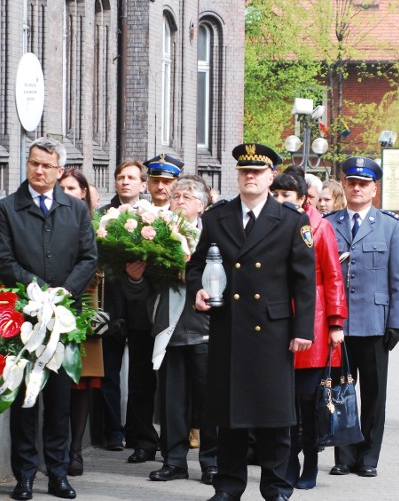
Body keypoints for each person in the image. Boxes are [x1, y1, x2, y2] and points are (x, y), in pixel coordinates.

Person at [186, 143, 316, 501]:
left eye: (257, 172)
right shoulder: (217, 218)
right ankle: (228, 487)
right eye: (244, 171)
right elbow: (197, 264)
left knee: (275, 415)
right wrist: (198, 288)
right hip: (230, 326)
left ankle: (275, 487)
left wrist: (304, 329)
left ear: (270, 176)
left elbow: (304, 280)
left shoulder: (291, 220)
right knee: (230, 416)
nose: (250, 177)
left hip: (273, 330)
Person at [0, 137, 97, 500]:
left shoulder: (75, 209)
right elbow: (3, 261)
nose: (38, 170)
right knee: (24, 398)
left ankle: (58, 474)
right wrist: (36, 290)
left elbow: (88, 257)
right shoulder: (8, 208)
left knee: (60, 402)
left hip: (65, 317)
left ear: (58, 170)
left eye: (46, 166)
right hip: (25, 317)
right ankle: (24, 476)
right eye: (33, 163)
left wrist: (63, 292)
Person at [122, 176, 219, 487]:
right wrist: (135, 277)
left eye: (188, 196)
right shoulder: (155, 236)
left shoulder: (215, 237)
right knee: (172, 402)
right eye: (176, 196)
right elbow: (141, 292)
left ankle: (212, 462)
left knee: (209, 401)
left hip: (207, 328)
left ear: (202, 206)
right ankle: (174, 460)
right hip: (170, 328)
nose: (179, 201)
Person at [326, 156, 399, 478]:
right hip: (338, 324)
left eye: (363, 184)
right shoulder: (329, 223)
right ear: (344, 186)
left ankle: (369, 456)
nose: (357, 188)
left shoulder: (389, 225)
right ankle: (343, 455)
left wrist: (396, 322)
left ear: (374, 189)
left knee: (374, 395)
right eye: (351, 182)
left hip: (375, 324)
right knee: (339, 391)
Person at [271, 166, 347, 490]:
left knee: (308, 401)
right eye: (275, 194)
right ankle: (286, 461)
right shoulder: (269, 224)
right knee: (283, 401)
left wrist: (335, 323)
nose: (279, 200)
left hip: (312, 320)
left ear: (303, 199)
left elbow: (333, 276)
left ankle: (311, 462)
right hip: (277, 319)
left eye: (286, 194)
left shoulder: (321, 228)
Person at [101, 160, 158, 461]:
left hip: (139, 307)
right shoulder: (102, 217)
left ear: (142, 184)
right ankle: (113, 431)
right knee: (109, 370)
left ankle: (136, 430)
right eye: (121, 177)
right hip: (110, 303)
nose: (125, 182)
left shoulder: (152, 218)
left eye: (131, 178)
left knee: (139, 373)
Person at [58, 169, 104, 475]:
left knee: (82, 384)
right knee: (57, 386)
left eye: (72, 187)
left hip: (86, 308)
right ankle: (57, 451)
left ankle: (75, 451)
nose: (66, 192)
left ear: (84, 192)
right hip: (53, 308)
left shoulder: (98, 226)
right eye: (61, 188)